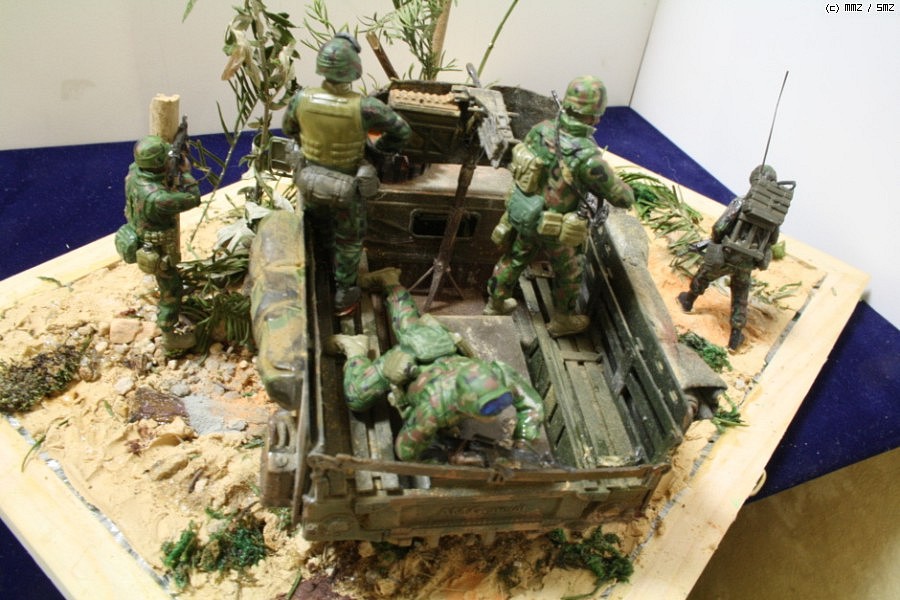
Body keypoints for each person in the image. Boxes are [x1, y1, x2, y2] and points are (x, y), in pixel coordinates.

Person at [328, 268, 545, 462]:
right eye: (488, 408)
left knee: (410, 327)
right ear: (462, 402)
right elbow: (406, 450)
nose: (498, 411)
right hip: (405, 364)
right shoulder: (434, 409)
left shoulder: (499, 374)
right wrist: (446, 456)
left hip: (434, 345)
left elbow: (531, 405)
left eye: (502, 400)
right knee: (356, 397)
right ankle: (355, 349)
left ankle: (390, 281)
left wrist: (523, 441)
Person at [483, 75, 633, 337]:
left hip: (527, 213)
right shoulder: (587, 156)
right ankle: (562, 320)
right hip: (558, 228)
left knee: (514, 258)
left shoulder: (541, 130)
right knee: (570, 271)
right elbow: (622, 198)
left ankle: (495, 304)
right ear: (595, 116)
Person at [282, 33, 411, 315]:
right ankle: (344, 296)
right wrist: (378, 149)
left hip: (311, 181)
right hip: (347, 188)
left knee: (317, 227)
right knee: (349, 243)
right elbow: (402, 131)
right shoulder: (366, 107)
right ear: (354, 69)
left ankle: (318, 271)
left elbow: (289, 129)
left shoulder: (301, 99)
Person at [677, 164, 792, 350]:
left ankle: (688, 301)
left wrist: (716, 241)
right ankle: (735, 336)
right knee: (740, 296)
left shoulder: (740, 203)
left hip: (727, 253)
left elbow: (720, 227)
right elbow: (772, 240)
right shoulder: (774, 217)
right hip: (747, 262)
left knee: (705, 274)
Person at [123, 135, 201, 353]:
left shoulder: (134, 173)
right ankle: (169, 336)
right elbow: (193, 197)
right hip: (157, 249)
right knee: (171, 288)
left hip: (139, 233)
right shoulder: (157, 198)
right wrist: (184, 172)